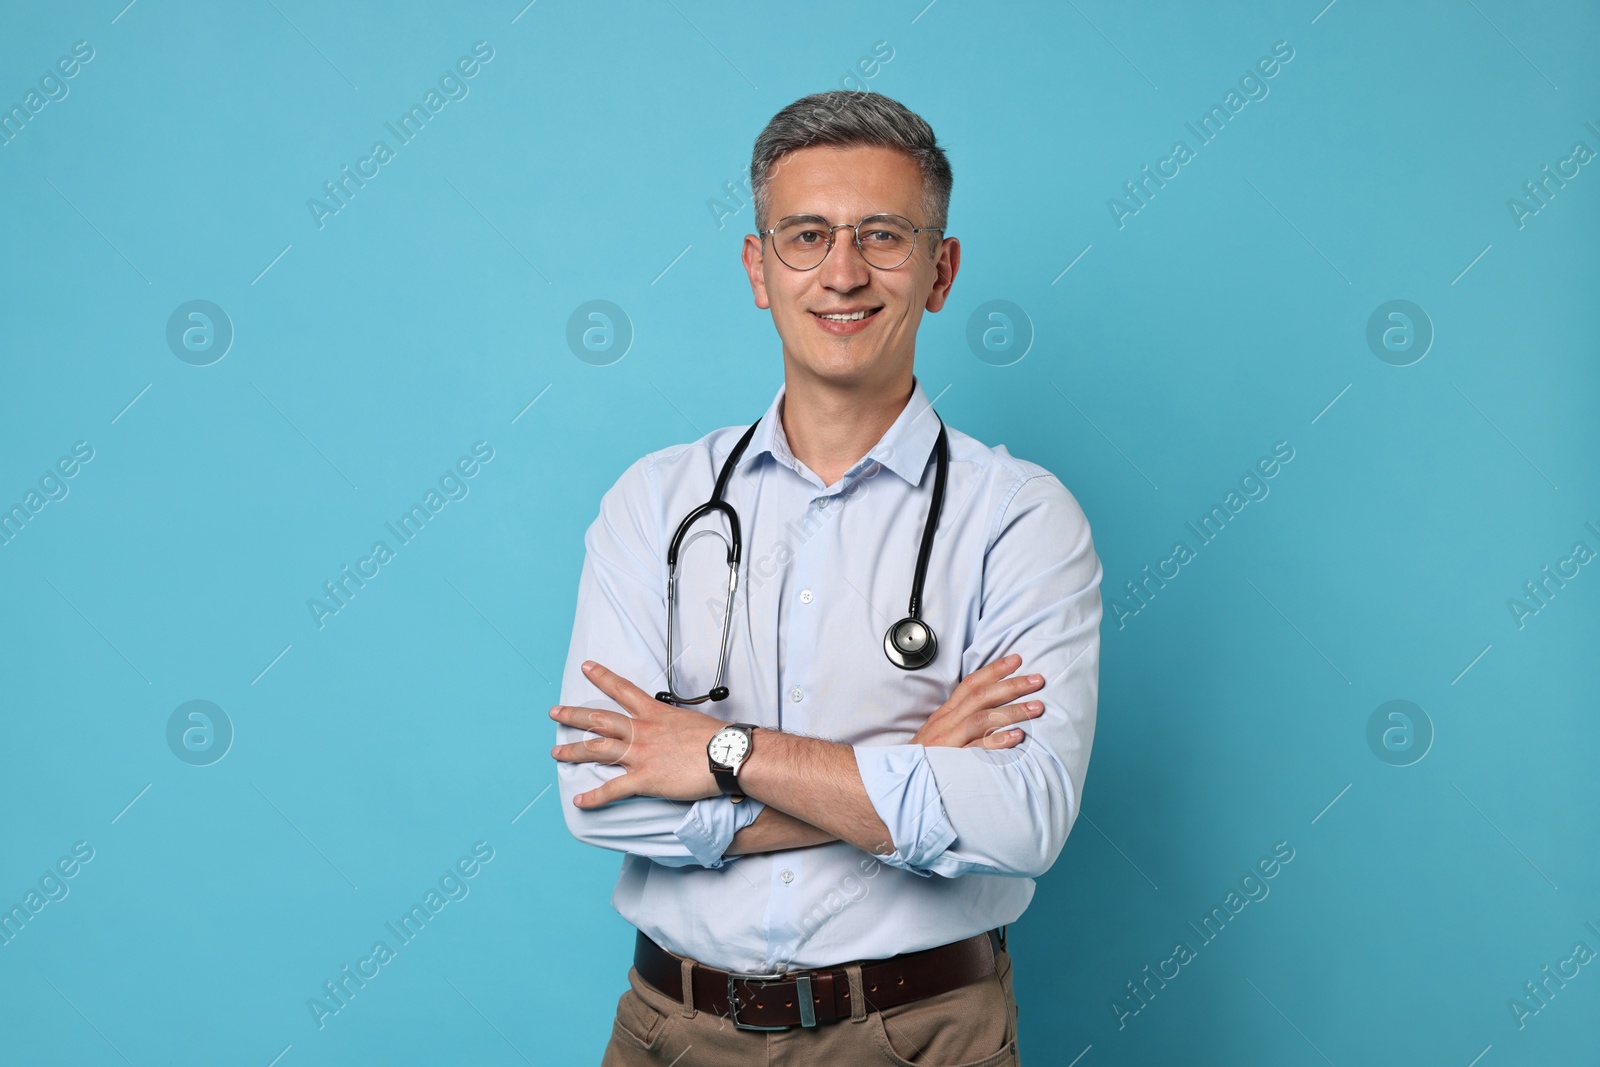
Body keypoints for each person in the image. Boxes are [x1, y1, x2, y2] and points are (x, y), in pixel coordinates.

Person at [551, 89, 1103, 1066]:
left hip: (921, 1034)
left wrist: (720, 750)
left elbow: (1019, 819)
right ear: (759, 268)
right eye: (806, 236)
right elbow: (606, 792)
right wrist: (904, 768)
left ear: (941, 269)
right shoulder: (655, 501)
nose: (842, 272)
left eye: (882, 235)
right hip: (669, 1034)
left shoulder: (1019, 515)